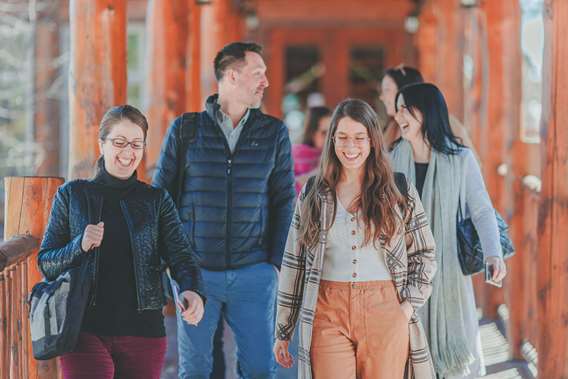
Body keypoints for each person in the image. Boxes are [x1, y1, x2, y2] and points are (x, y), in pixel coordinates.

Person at [152, 41, 296, 379]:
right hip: (196, 275)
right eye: (258, 73)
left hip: (254, 274)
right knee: (197, 370)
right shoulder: (186, 130)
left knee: (261, 369)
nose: (266, 82)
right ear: (232, 75)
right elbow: (161, 200)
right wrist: (175, 264)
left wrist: (274, 265)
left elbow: (284, 200)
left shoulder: (274, 133)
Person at [274, 98, 437, 379]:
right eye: (343, 137)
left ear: (373, 140)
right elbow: (294, 262)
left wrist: (406, 308)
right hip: (327, 310)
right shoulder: (314, 192)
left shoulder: (398, 190)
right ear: (332, 140)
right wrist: (284, 329)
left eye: (360, 138)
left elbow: (424, 253)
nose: (351, 147)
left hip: (385, 309)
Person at [37, 105, 204, 379]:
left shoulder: (156, 200)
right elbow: (47, 263)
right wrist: (78, 245)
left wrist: (193, 290)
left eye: (136, 144)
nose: (128, 152)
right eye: (119, 142)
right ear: (101, 144)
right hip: (83, 329)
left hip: (144, 332)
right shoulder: (72, 195)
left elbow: (182, 256)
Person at [390, 83, 507, 378]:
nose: (398, 114)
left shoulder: (460, 159)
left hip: (448, 267)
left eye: (406, 108)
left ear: (427, 112)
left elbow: (481, 209)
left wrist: (494, 254)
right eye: (397, 107)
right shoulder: (391, 158)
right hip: (402, 268)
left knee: (454, 353)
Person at [379, 65, 474, 151]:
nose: (381, 97)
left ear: (406, 89)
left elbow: (470, 165)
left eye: (387, 90)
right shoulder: (390, 128)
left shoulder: (446, 123)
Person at [291, 106, 331, 193]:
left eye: (332, 132)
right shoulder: (293, 156)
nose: (329, 138)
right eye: (324, 133)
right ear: (312, 132)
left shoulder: (336, 155)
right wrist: (320, 171)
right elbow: (286, 189)